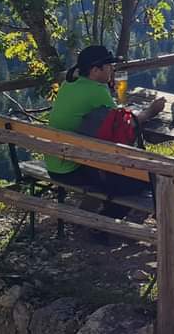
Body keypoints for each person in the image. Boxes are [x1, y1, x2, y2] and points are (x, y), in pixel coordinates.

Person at [45, 44, 152, 214]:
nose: (112, 69)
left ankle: (95, 213)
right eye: (108, 66)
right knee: (142, 180)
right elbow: (124, 123)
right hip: (72, 168)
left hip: (55, 163)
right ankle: (105, 221)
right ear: (95, 70)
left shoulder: (69, 84)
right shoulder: (96, 90)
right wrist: (150, 111)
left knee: (121, 173)